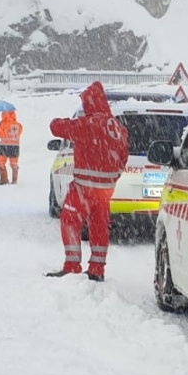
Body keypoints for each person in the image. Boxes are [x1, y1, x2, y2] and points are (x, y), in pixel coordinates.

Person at [45, 81, 130, 283]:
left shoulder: (87, 124)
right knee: (99, 226)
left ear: (91, 102)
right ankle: (97, 269)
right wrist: (113, 176)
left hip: (84, 186)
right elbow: (123, 156)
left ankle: (72, 265)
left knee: (70, 219)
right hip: (106, 188)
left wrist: (57, 120)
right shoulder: (118, 127)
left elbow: (57, 128)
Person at [0, 108, 23, 185]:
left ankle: (4, 179)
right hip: (15, 146)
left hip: (4, 145)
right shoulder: (18, 125)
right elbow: (19, 134)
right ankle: (14, 180)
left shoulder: (3, 124)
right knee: (14, 163)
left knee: (0, 162)